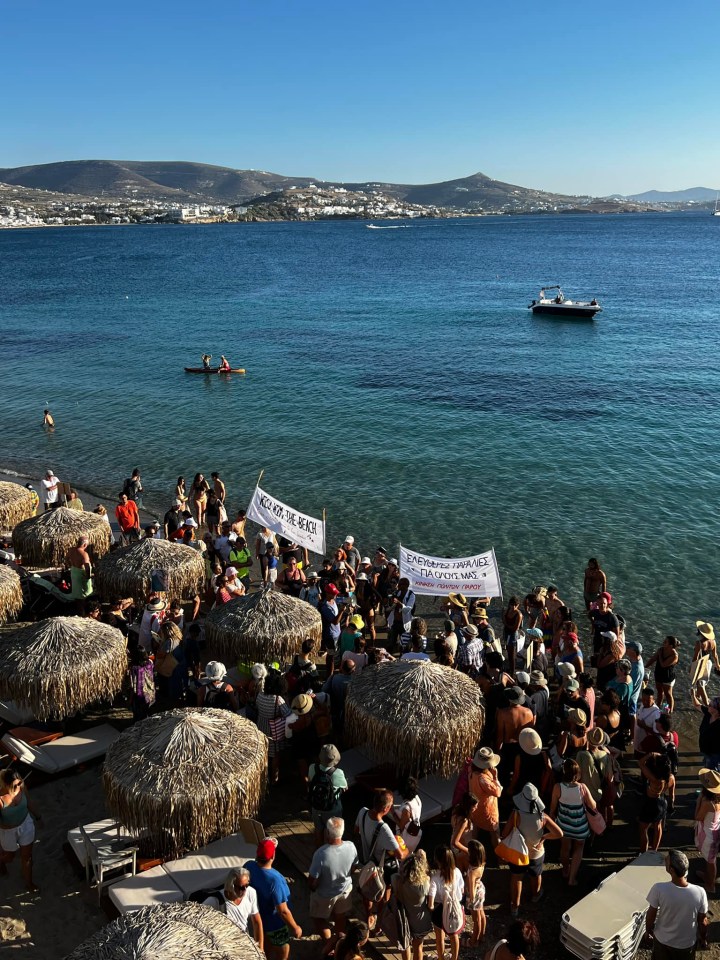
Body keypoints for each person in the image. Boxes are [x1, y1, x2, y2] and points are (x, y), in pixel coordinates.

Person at [505, 783, 562, 918]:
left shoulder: (516, 814)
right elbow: (559, 833)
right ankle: (535, 895)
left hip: (519, 851)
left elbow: (504, 833)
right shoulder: (543, 816)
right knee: (535, 874)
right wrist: (544, 837)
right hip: (536, 852)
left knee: (517, 877)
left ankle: (515, 907)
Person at [244, 838, 302, 960]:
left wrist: (268, 846)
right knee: (283, 949)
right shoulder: (275, 880)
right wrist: (295, 927)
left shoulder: (248, 866)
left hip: (259, 919)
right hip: (276, 924)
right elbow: (282, 911)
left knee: (265, 946)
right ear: (273, 856)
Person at [355, 790, 405, 929]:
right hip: (381, 867)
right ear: (386, 809)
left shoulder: (362, 812)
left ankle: (368, 914)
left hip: (366, 861)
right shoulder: (384, 829)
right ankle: (379, 924)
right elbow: (400, 855)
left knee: (366, 890)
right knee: (384, 893)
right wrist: (406, 849)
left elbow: (356, 830)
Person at [646, 850, 708, 958]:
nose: (665, 860)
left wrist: (648, 930)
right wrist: (703, 938)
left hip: (662, 941)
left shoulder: (659, 888)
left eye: (667, 861)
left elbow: (651, 914)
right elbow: (702, 921)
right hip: (686, 945)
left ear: (671, 870)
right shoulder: (700, 892)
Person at [308, 816, 357, 951]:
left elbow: (312, 880)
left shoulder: (321, 854)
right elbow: (353, 868)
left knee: (318, 918)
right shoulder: (351, 847)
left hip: (325, 894)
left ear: (328, 833)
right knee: (340, 916)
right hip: (344, 890)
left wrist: (312, 888)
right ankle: (339, 941)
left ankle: (329, 943)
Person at [550, 759, 595, 886]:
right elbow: (593, 805)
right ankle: (572, 878)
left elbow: (553, 807)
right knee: (579, 848)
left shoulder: (558, 787)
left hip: (563, 824)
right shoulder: (582, 788)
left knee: (565, 848)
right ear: (577, 773)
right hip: (580, 826)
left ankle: (565, 870)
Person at [0, 768, 41, 892]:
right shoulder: (1, 799)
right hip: (8, 831)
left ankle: (29, 883)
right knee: (9, 857)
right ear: (6, 785)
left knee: (27, 857)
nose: (18, 786)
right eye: (15, 785)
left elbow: (29, 802)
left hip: (25, 824)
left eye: (20, 782)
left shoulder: (21, 787)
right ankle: (1, 862)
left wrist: (38, 817)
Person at [203, 867, 263, 948]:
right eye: (241, 887)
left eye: (247, 885)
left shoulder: (251, 892)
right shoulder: (215, 901)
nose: (245, 890)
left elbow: (256, 922)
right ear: (231, 885)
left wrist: (260, 949)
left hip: (245, 943)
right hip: (226, 946)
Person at [393, 850, 433, 960]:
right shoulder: (424, 885)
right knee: (418, 947)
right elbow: (428, 876)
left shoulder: (397, 880)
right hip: (420, 921)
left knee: (405, 947)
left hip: (403, 919)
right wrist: (423, 859)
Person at [427, 845, 464, 960]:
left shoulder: (435, 877)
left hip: (439, 911)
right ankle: (454, 958)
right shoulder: (457, 872)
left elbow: (430, 903)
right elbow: (462, 890)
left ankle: (441, 958)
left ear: (437, 860)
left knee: (439, 938)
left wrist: (430, 908)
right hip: (455, 908)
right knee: (454, 936)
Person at [307, 744, 348, 847]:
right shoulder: (338, 773)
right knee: (334, 834)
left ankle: (318, 850)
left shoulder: (312, 767)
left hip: (316, 806)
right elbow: (345, 786)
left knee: (318, 830)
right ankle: (331, 852)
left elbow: (310, 780)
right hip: (332, 808)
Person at [257, 672, 291, 784]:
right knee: (275, 756)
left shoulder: (260, 694)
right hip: (274, 731)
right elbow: (288, 714)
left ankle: (263, 778)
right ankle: (274, 779)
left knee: (263, 754)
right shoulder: (278, 699)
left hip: (261, 727)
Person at [638, 752, 675, 853]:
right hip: (662, 803)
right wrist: (671, 805)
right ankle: (654, 850)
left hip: (650, 803)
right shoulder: (671, 778)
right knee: (658, 827)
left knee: (643, 829)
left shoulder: (653, 779)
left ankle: (643, 853)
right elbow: (672, 795)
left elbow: (641, 763)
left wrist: (650, 754)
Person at [468, 747, 503, 850]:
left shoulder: (471, 770)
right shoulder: (483, 779)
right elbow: (498, 792)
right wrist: (495, 777)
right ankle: (500, 858)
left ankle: (471, 852)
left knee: (474, 830)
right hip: (487, 810)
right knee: (495, 833)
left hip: (475, 807)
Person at [694, 768, 720, 895]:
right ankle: (708, 878)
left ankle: (710, 885)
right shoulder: (717, 800)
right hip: (714, 830)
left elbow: (698, 816)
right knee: (710, 860)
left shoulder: (708, 803)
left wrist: (699, 801)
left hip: (708, 835)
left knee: (711, 862)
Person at [647, 636, 680, 714]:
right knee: (659, 692)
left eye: (665, 642)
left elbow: (663, 664)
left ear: (671, 645)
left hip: (668, 677)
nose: (663, 643)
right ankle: (658, 707)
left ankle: (670, 711)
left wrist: (660, 654)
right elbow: (653, 659)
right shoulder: (661, 650)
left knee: (668, 694)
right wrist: (645, 666)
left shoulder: (674, 655)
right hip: (658, 674)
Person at [391, 776, 423, 853]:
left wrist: (393, 813)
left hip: (405, 839)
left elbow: (402, 826)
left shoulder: (406, 809)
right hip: (414, 833)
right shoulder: (417, 798)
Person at [465, 839, 487, 946]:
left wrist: (470, 893)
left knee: (476, 919)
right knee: (482, 914)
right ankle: (481, 935)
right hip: (481, 890)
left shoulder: (472, 873)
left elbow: (472, 893)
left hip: (475, 895)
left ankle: (473, 941)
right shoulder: (481, 863)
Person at [692, 622, 719, 707]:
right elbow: (715, 655)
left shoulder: (699, 643)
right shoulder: (713, 642)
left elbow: (695, 657)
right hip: (709, 663)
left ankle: (707, 705)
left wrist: (692, 668)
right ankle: (698, 696)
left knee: (700, 684)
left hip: (700, 664)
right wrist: (718, 665)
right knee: (701, 682)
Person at [66, 535, 93, 611]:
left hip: (74, 572)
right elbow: (87, 567)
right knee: (84, 593)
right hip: (80, 575)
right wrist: (88, 577)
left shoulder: (71, 550)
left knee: (77, 592)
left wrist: (70, 565)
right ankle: (83, 611)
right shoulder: (84, 554)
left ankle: (78, 609)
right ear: (84, 544)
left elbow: (66, 559)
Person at [129, 645, 155, 720]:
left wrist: (130, 700)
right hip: (149, 693)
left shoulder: (134, 669)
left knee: (138, 716)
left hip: (139, 696)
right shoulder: (150, 663)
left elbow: (133, 685)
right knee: (146, 713)